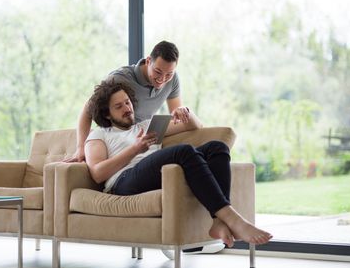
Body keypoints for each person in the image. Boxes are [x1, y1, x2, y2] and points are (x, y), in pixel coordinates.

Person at [84, 80, 273, 247]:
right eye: (118, 106)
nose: (127, 108)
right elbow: (97, 173)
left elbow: (194, 126)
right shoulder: (99, 135)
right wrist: (135, 149)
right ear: (107, 114)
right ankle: (232, 218)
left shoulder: (144, 127)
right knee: (183, 151)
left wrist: (185, 113)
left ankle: (218, 221)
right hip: (123, 182)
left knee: (217, 147)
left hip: (156, 176)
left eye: (127, 102)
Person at [64, 40, 193, 163]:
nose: (162, 79)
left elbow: (176, 117)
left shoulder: (173, 79)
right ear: (148, 61)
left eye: (169, 74)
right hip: (118, 142)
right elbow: (87, 111)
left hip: (143, 139)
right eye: (157, 72)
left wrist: (182, 112)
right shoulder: (120, 78)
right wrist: (81, 148)